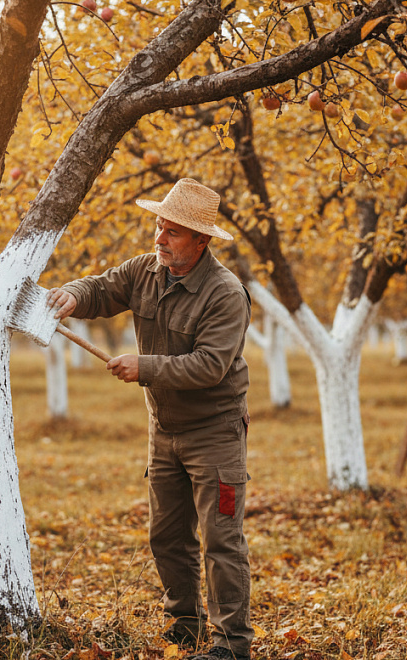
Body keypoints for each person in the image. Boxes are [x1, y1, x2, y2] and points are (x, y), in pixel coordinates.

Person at [47, 178, 253, 660]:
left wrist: (145, 367)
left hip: (215, 434)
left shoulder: (225, 293)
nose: (159, 238)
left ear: (200, 241)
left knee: (221, 540)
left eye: (172, 231)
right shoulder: (145, 270)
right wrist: (72, 295)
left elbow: (210, 365)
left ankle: (231, 645)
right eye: (158, 226)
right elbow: (102, 288)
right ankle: (185, 626)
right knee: (167, 536)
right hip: (164, 431)